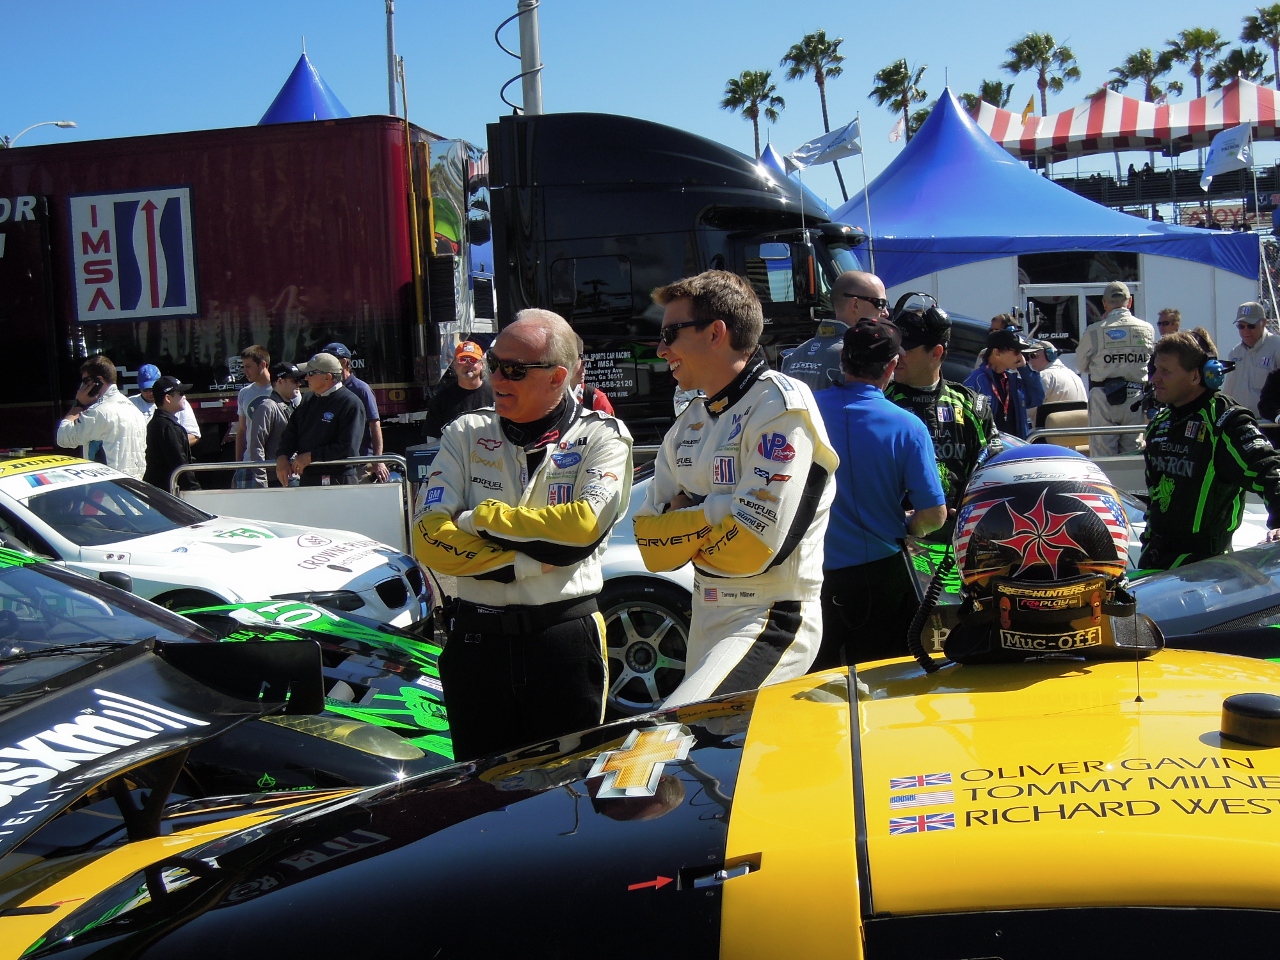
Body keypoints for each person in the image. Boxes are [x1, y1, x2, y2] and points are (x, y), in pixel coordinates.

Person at [412, 309, 632, 760]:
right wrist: (525, 562)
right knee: (482, 798)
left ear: (557, 377)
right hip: (476, 638)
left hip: (562, 635)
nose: (497, 377)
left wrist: (481, 520)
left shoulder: (601, 436)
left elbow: (581, 529)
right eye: (493, 364)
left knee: (566, 793)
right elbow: (427, 537)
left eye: (513, 369)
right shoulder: (465, 433)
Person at [635, 270, 837, 708]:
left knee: (671, 735)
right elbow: (651, 549)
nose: (661, 348)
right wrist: (721, 509)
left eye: (671, 332)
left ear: (716, 333)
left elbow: (752, 546)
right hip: (706, 614)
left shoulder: (781, 405)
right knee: (722, 770)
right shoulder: (689, 421)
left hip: (769, 617)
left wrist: (691, 512)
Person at [813, 320, 947, 667]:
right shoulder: (907, 426)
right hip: (880, 576)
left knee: (809, 686)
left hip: (810, 569)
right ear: (891, 365)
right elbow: (934, 516)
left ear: (842, 358)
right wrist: (907, 526)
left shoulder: (803, 413)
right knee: (883, 681)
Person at [1141, 327, 1280, 570]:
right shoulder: (1159, 424)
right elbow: (1155, 499)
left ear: (1198, 376)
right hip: (1154, 560)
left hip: (1205, 571)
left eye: (1165, 371)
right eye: (1155, 370)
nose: (1155, 379)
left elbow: (1271, 473)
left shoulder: (1226, 421)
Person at [885, 302, 1001, 545]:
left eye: (906, 349)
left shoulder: (972, 405)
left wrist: (973, 509)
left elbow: (993, 470)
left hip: (957, 542)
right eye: (894, 347)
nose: (897, 356)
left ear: (936, 352)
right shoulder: (881, 402)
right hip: (895, 540)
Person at [1074, 281, 1154, 456]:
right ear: (1130, 301)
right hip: (1135, 396)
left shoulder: (1094, 330)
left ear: (1104, 304)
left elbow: (1080, 365)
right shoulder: (1147, 329)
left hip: (1103, 397)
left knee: (1104, 457)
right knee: (1133, 455)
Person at [780, 270, 890, 391]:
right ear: (855, 304)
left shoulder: (794, 356)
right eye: (880, 303)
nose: (886, 313)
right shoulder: (859, 356)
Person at [275, 353, 367, 487]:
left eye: (310, 373)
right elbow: (291, 433)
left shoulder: (350, 403)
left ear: (327, 377)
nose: (306, 378)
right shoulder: (307, 400)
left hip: (339, 479)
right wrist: (282, 456)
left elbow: (348, 447)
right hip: (309, 478)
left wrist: (311, 456)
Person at [56, 355, 146, 478]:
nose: (81, 387)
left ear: (97, 382)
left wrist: (78, 404)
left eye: (85, 381)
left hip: (108, 489)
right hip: (134, 485)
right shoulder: (136, 411)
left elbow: (63, 438)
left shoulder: (98, 413)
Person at [323, 342, 389, 482]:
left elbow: (375, 425)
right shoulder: (327, 390)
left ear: (344, 362)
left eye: (331, 359)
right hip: (338, 463)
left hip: (361, 462)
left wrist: (378, 460)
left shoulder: (361, 389)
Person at [964, 329, 1045, 440]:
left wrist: (1024, 369)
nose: (1020, 357)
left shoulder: (1013, 380)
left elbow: (1037, 398)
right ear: (997, 353)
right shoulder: (976, 381)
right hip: (991, 451)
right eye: (1016, 352)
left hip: (1016, 448)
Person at [423, 341, 494, 440]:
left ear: (481, 364)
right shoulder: (441, 400)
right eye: (462, 360)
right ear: (454, 365)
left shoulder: (497, 394)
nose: (467, 364)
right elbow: (432, 438)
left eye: (473, 360)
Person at [246, 363, 302, 487]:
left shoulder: (292, 406)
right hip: (277, 479)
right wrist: (262, 482)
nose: (299, 384)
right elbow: (256, 446)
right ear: (280, 381)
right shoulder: (267, 407)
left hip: (293, 475)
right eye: (295, 380)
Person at [1223, 302, 1280, 418]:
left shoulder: (1276, 347)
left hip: (1268, 424)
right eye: (1241, 326)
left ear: (1264, 323)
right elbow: (1228, 391)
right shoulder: (1235, 353)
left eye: (1251, 326)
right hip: (1240, 423)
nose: (1245, 330)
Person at [143, 377, 199, 491]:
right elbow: (179, 465)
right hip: (166, 495)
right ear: (168, 398)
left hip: (160, 493)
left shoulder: (161, 423)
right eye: (181, 393)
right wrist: (194, 490)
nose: (184, 397)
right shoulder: (167, 427)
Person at [132, 363, 201, 447]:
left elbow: (194, 435)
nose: (150, 393)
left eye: (153, 389)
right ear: (139, 387)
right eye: (146, 390)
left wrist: (170, 445)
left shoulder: (177, 402)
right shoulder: (130, 404)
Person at [234, 345, 274, 487]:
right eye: (243, 366)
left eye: (248, 366)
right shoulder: (244, 393)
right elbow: (242, 430)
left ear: (263, 364)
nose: (245, 371)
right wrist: (238, 465)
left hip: (276, 463)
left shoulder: (280, 389)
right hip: (249, 463)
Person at [1028, 339, 1086, 404]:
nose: (1030, 361)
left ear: (1049, 354)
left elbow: (1031, 409)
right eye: (1028, 357)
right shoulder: (1074, 375)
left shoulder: (1044, 376)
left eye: (1033, 356)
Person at [570, 335, 615, 414]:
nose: (583, 370)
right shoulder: (551, 396)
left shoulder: (595, 398)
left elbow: (607, 426)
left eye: (584, 364)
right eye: (577, 365)